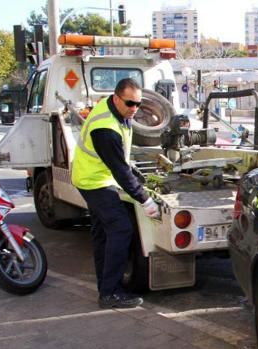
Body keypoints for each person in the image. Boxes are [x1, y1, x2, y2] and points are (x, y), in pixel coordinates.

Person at [71, 78, 159, 309]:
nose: (134, 109)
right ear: (117, 98)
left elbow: (121, 161)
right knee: (121, 229)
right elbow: (119, 170)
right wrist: (145, 199)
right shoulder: (105, 128)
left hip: (97, 177)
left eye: (138, 104)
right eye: (130, 103)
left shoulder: (118, 112)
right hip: (94, 181)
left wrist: (133, 170)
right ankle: (111, 293)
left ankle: (106, 287)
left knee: (102, 234)